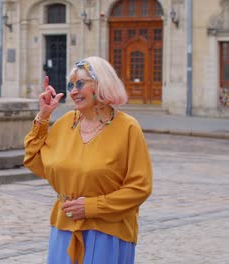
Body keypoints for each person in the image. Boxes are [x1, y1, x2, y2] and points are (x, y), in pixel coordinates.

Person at [24, 56, 152, 264]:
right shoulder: (66, 123)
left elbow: (140, 188)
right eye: (71, 85)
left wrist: (92, 207)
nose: (73, 91)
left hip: (108, 232)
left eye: (80, 84)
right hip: (65, 230)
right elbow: (34, 160)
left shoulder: (128, 128)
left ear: (101, 85)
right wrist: (43, 116)